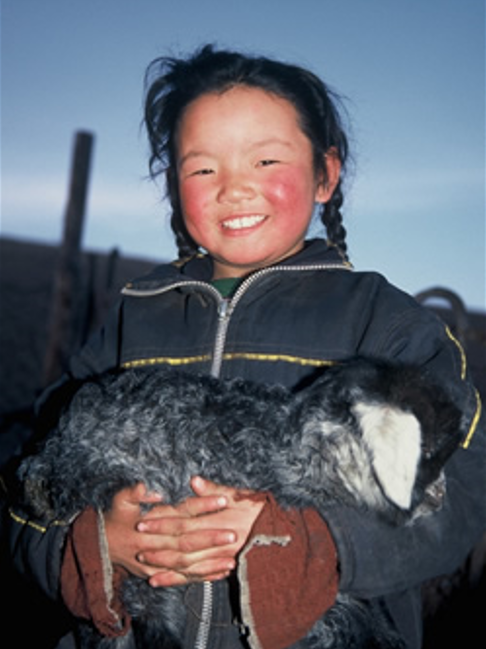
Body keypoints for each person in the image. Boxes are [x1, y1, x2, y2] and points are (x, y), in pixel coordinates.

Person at [6, 45, 485, 649]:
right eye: (202, 168)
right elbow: (28, 485)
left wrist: (318, 543)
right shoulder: (137, 315)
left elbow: (465, 491)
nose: (234, 188)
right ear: (173, 182)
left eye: (265, 160)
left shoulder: (385, 324)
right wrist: (92, 545)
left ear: (325, 175)